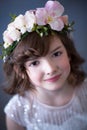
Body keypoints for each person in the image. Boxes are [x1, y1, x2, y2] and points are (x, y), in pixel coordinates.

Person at [1, 0, 87, 130]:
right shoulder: (17, 110)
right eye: (34, 63)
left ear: (68, 53)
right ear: (21, 71)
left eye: (57, 54)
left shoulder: (85, 92)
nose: (51, 69)